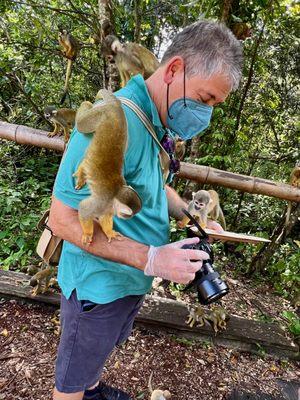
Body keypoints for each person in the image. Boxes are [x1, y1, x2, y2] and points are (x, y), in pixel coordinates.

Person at [48, 19, 243, 400]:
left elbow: (155, 188)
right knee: (70, 383)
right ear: (173, 70)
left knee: (95, 359)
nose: (206, 115)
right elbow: (62, 218)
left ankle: (93, 389)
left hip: (127, 281)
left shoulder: (154, 120)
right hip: (98, 287)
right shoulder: (114, 119)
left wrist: (190, 213)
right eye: (205, 100)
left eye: (215, 106)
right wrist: (151, 258)